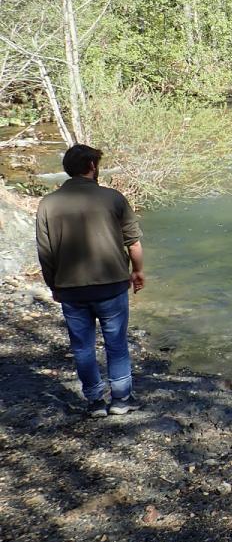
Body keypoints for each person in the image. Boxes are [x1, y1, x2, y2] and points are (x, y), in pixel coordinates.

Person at [35, 144, 145, 417]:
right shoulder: (113, 198)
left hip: (70, 289)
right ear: (92, 167)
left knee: (82, 347)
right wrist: (138, 271)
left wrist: (53, 286)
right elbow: (133, 243)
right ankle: (121, 400)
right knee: (116, 343)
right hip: (111, 285)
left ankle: (95, 402)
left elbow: (45, 252)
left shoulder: (47, 204)